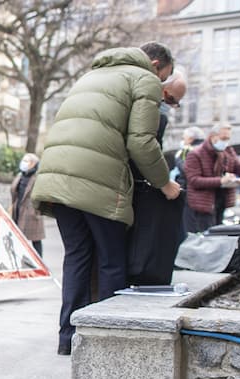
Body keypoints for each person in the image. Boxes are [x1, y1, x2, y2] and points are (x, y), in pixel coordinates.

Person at [31, 42, 182, 356]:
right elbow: (141, 142)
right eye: (164, 78)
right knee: (113, 261)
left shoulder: (92, 76)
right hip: (98, 180)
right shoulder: (144, 80)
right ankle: (107, 344)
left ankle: (68, 338)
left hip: (57, 177)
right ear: (155, 65)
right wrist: (165, 183)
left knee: (77, 259)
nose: (162, 86)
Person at [127, 73, 187, 285]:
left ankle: (74, 316)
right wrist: (164, 183)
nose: (170, 105)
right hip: (121, 187)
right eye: (171, 100)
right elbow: (143, 147)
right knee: (110, 259)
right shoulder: (151, 112)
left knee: (82, 256)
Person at [183, 123, 240, 233]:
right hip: (202, 206)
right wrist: (221, 181)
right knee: (205, 237)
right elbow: (194, 180)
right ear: (213, 136)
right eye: (223, 138)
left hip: (221, 202)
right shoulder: (195, 154)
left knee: (218, 235)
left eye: (228, 139)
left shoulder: (228, 152)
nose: (225, 142)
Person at [10, 153, 43, 256]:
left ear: (33, 163)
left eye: (26, 161)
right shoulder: (20, 175)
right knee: (18, 237)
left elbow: (42, 195)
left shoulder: (37, 177)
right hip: (18, 210)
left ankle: (39, 261)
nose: (23, 163)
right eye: (23, 160)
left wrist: (37, 211)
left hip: (31, 211)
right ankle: (20, 260)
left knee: (35, 239)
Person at [172, 125, 205, 193]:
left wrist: (178, 158)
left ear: (190, 139)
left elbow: (185, 169)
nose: (183, 140)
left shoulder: (187, 150)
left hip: (188, 188)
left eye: (184, 138)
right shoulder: (207, 149)